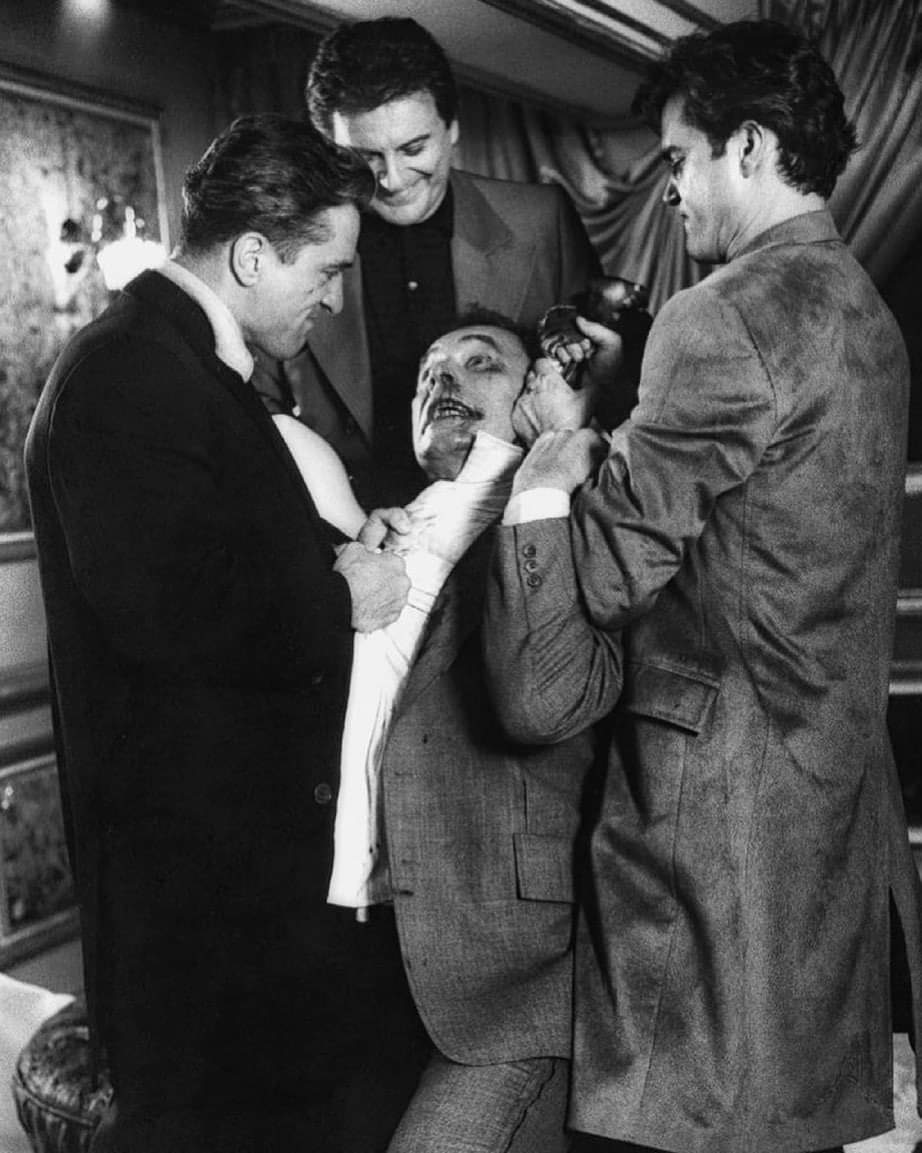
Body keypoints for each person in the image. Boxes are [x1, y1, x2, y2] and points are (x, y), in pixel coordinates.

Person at [482, 19, 922, 1153]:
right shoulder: (866, 315)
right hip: (822, 807)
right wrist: (640, 411)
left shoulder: (717, 313)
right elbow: (764, 516)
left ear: (752, 147)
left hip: (706, 828)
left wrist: (566, 455)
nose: (669, 188)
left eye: (680, 158)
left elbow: (606, 571)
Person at [24, 114, 428, 1153]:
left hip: (241, 904)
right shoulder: (126, 375)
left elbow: (220, 553)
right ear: (252, 255)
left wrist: (339, 547)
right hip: (196, 923)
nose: (334, 299)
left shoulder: (180, 364)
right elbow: (168, 612)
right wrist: (342, 595)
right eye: (327, 271)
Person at [277, 314, 619, 1152]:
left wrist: (559, 456)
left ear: (535, 392)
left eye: (479, 363)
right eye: (430, 370)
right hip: (353, 945)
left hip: (508, 973)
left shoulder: (568, 514)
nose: (443, 380)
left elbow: (549, 695)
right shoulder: (374, 532)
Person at [253, 16, 600, 506]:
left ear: (452, 126)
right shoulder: (290, 245)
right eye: (364, 157)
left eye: (413, 148)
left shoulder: (542, 221)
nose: (392, 180)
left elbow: (603, 382)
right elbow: (258, 412)